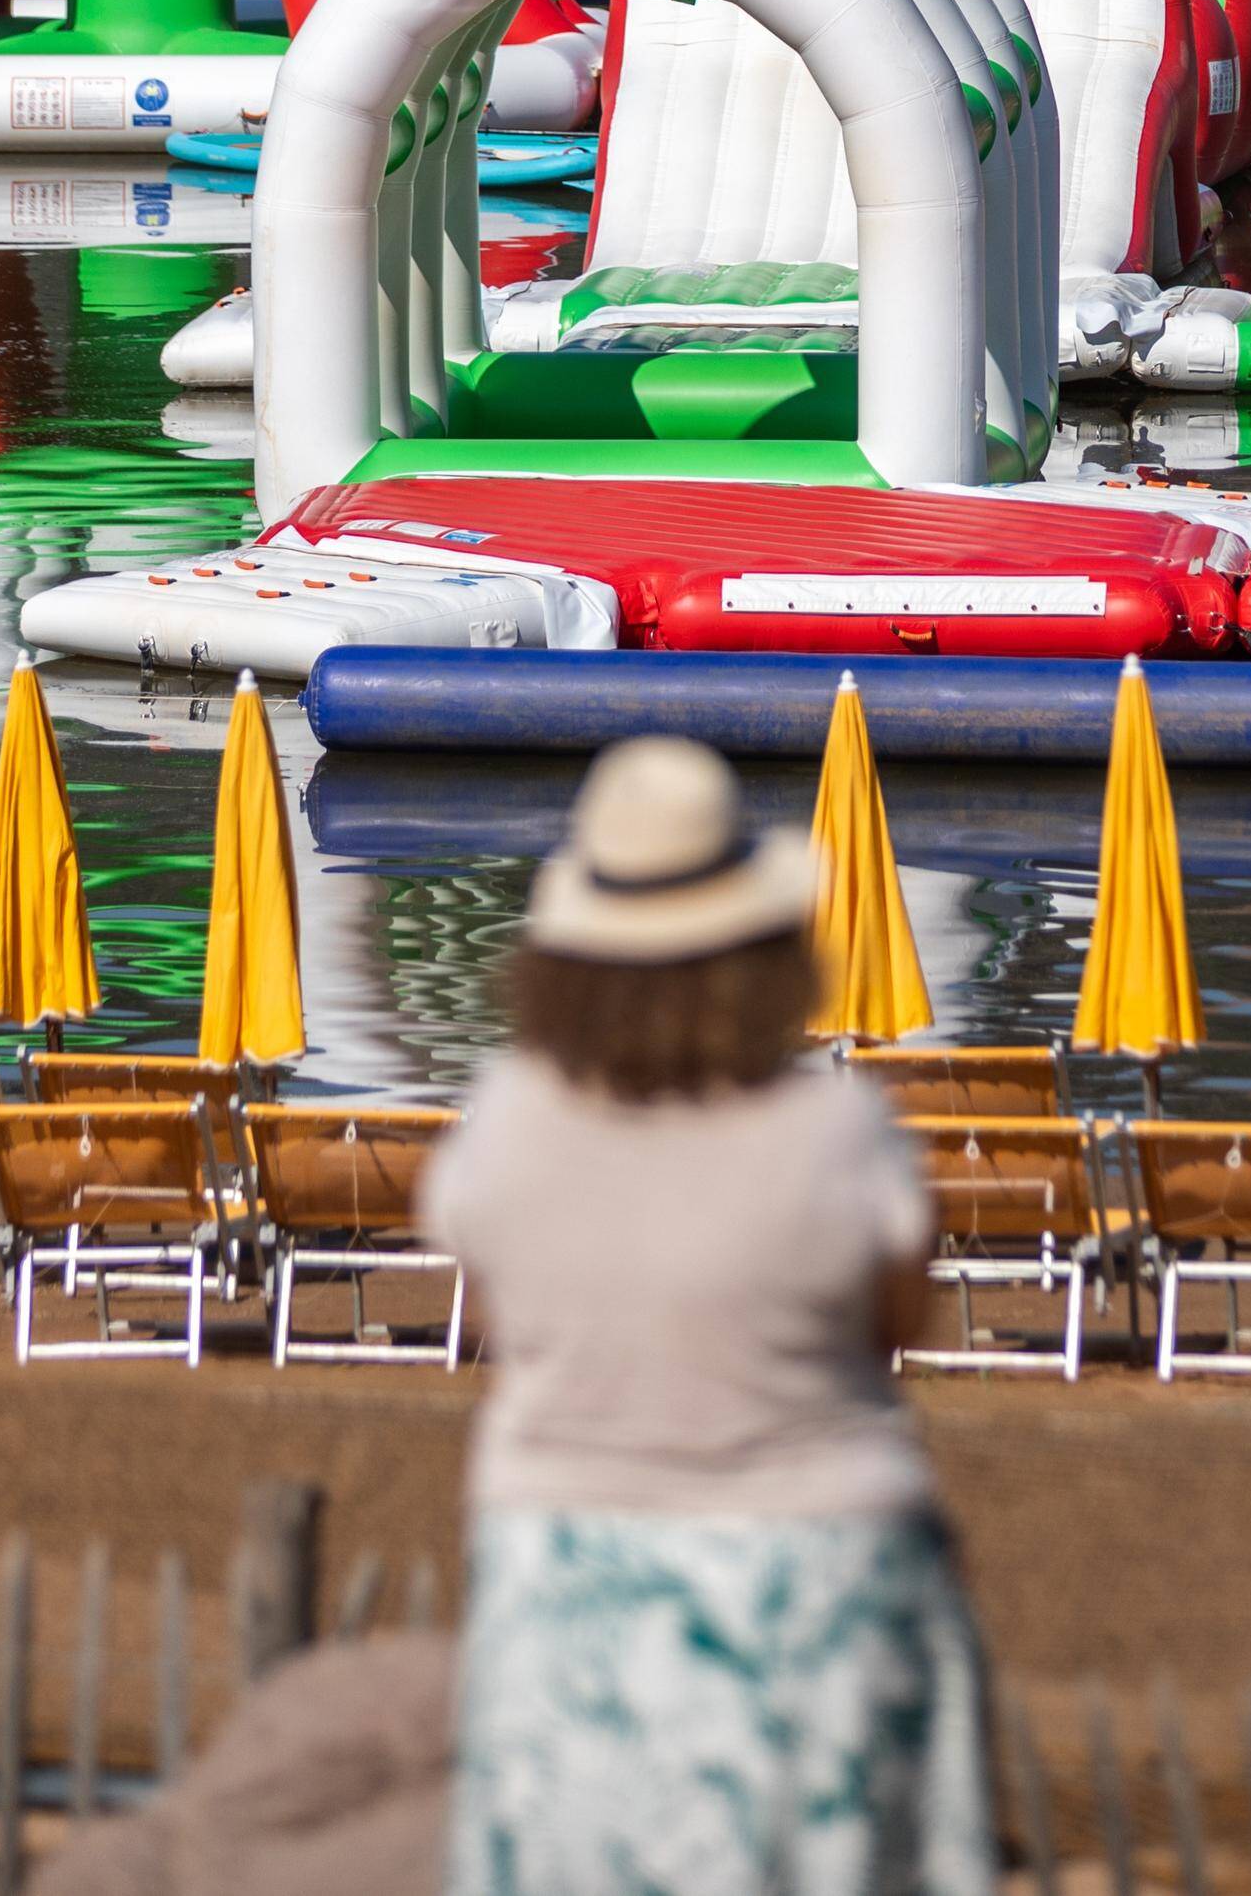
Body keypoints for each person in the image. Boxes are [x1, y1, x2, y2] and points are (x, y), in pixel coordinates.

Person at [424, 734, 991, 1896]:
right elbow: (897, 1327)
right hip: (818, 1575)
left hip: (566, 1573)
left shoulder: (506, 1123)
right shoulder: (838, 1134)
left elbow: (493, 1306)